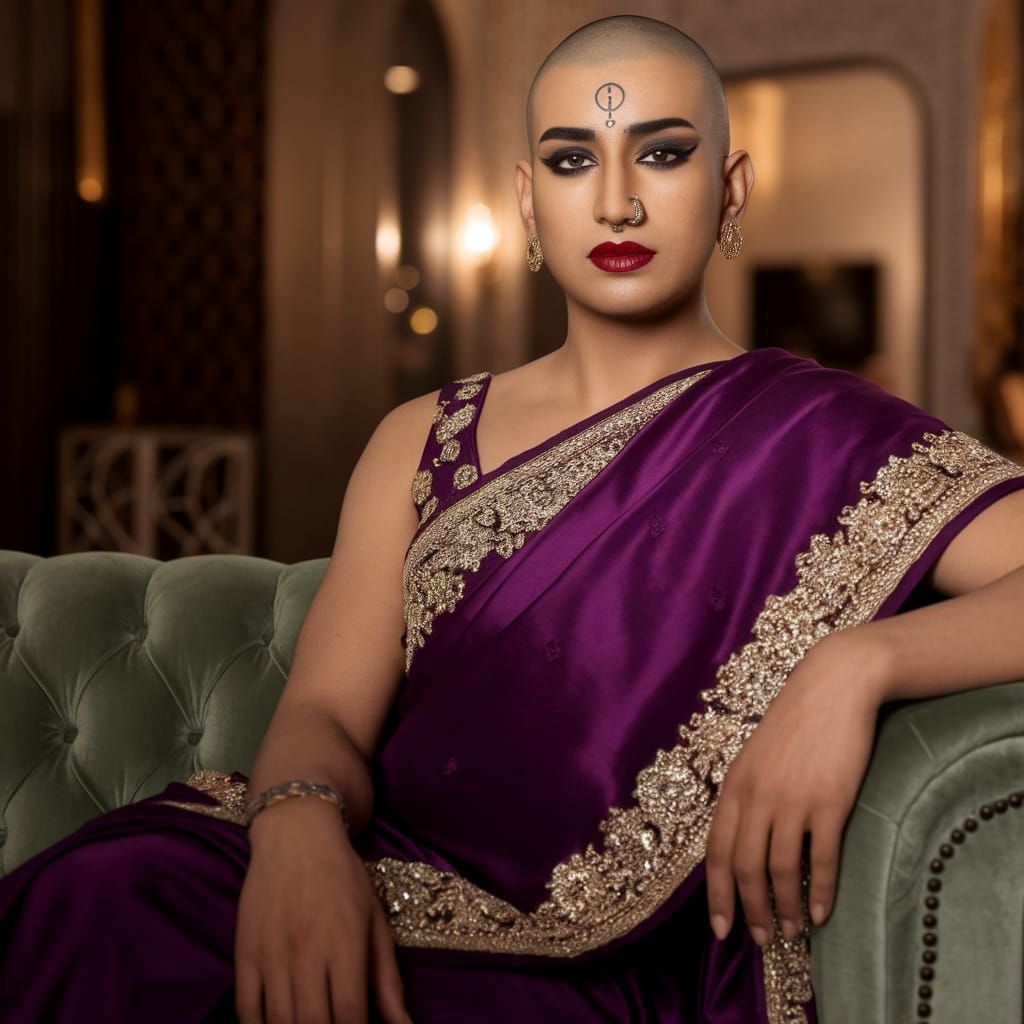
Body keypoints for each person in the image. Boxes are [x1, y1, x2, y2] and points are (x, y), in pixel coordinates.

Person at [4, 13, 1024, 1023]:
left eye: (661, 153)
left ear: (730, 188)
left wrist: (855, 665)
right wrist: (298, 832)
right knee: (107, 896)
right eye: (573, 160)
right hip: (379, 871)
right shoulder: (421, 438)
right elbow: (320, 713)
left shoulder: (819, 428)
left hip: (598, 965)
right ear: (529, 204)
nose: (617, 199)